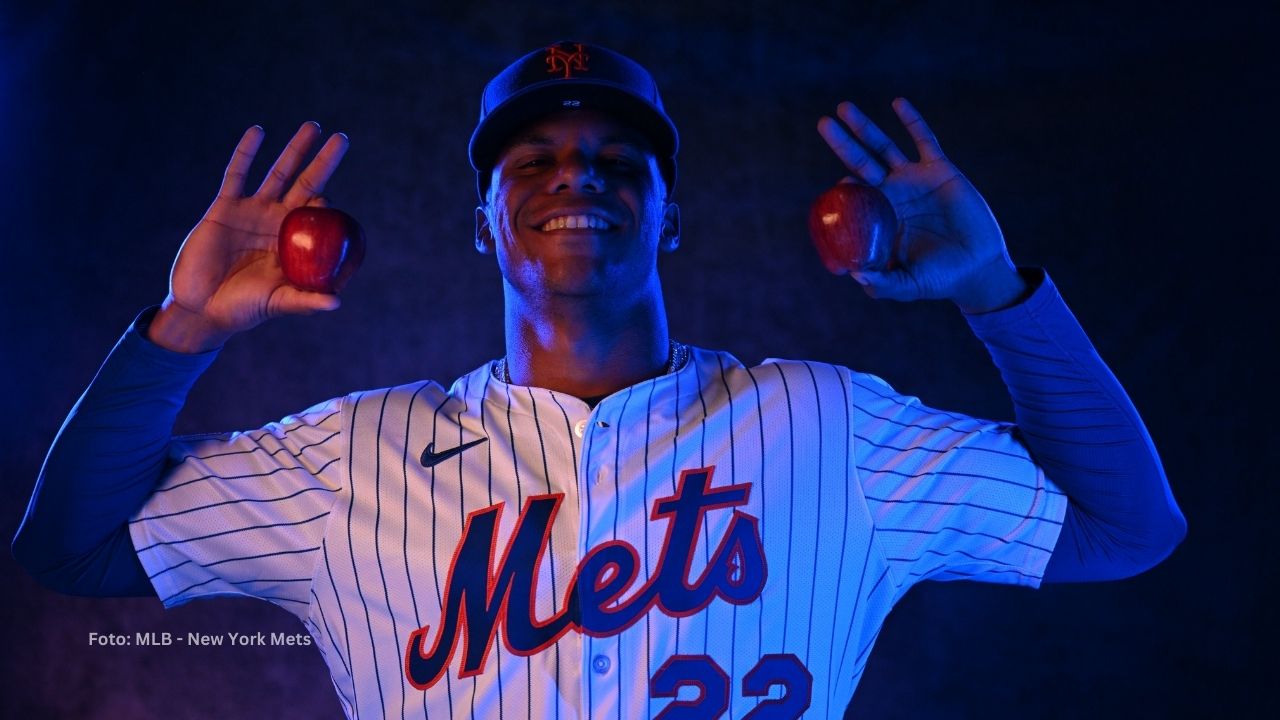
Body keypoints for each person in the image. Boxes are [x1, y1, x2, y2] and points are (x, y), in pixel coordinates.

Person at [14, 41, 1186, 718]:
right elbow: (67, 548)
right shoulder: (350, 458)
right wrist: (181, 329)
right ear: (481, 226)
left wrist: (996, 292)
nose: (577, 174)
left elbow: (1123, 526)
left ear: (670, 220)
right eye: (532, 159)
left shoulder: (828, 423)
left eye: (617, 159)